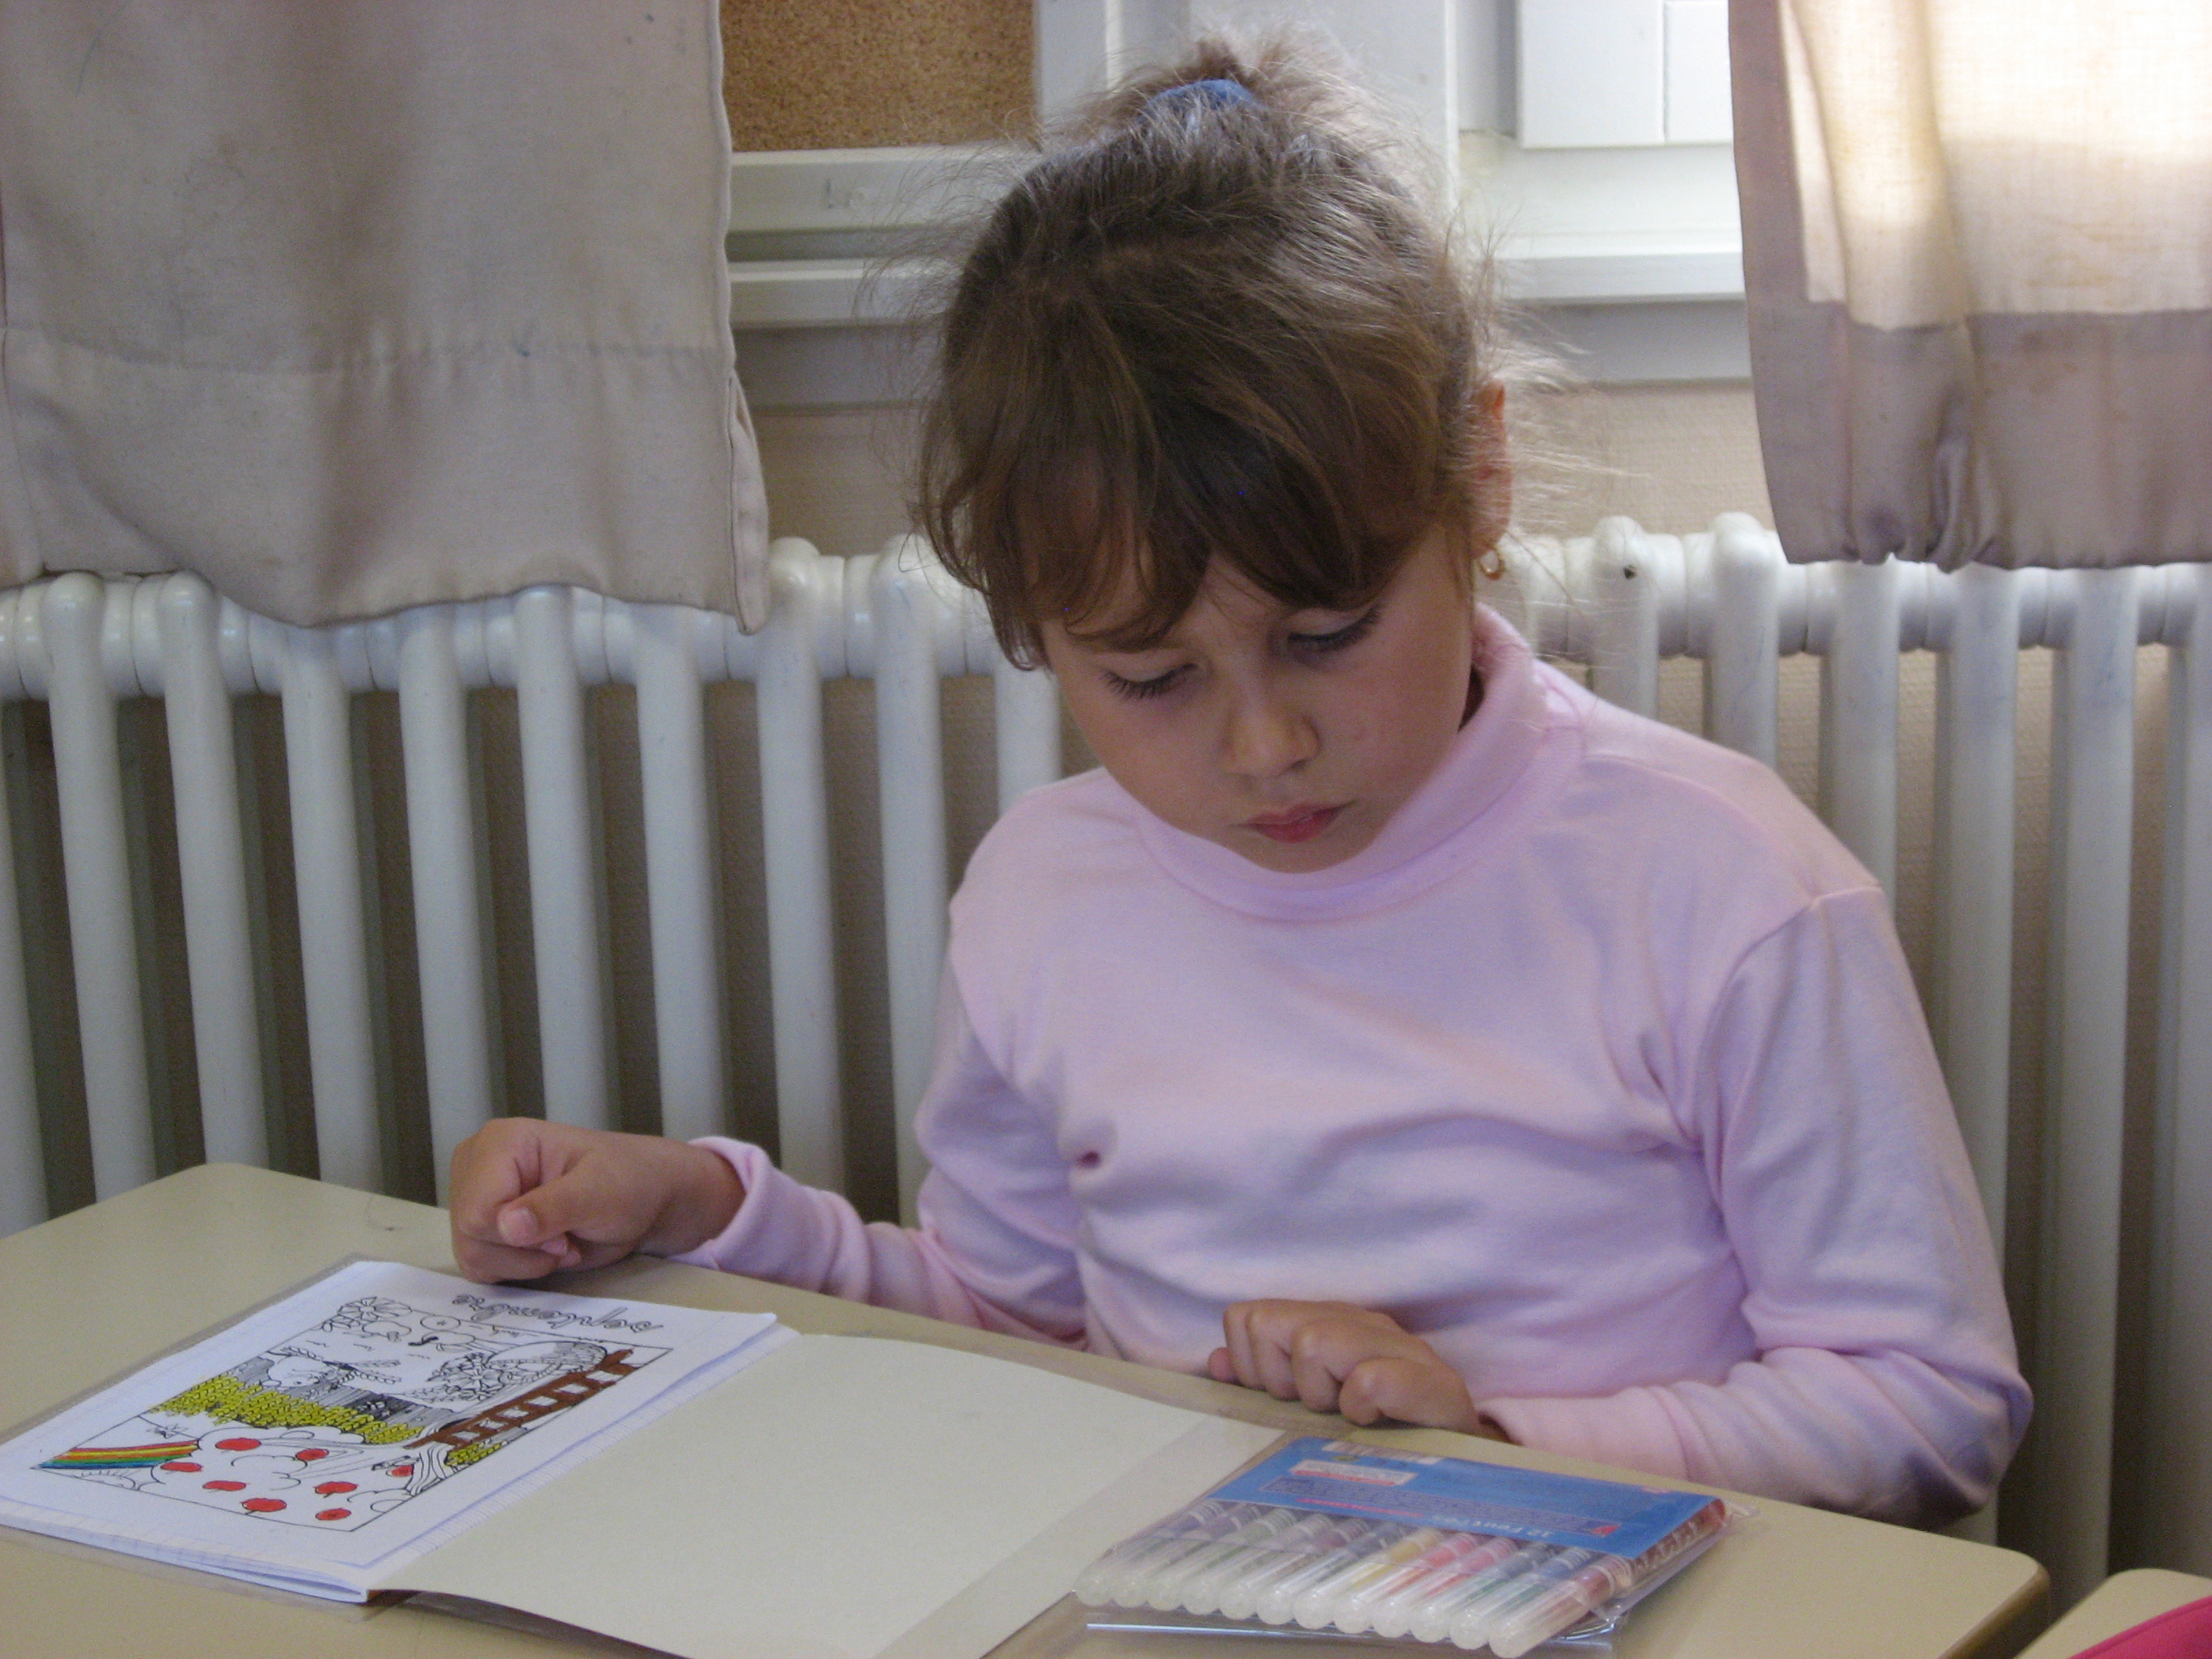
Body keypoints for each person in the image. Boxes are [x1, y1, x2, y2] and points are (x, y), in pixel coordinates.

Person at [449, 38, 2027, 1526]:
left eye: (1326, 637)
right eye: (1152, 679)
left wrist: (1488, 1440)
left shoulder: (1724, 885)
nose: (1263, 746)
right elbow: (1006, 1320)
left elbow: (1930, 1403)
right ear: (1029, 626)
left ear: (1479, 478)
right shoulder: (1043, 895)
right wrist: (702, 1209)